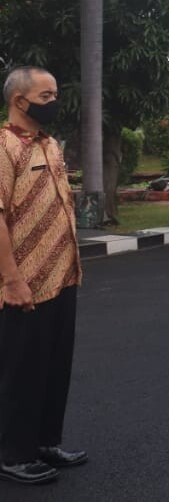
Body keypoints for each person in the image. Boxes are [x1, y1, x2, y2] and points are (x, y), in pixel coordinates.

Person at [0, 66, 86, 486]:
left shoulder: (49, 144)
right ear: (20, 101)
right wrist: (11, 280)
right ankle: (13, 452)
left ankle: (45, 441)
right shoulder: (3, 147)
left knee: (55, 364)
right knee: (21, 368)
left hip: (63, 275)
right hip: (24, 282)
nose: (55, 102)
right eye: (47, 96)